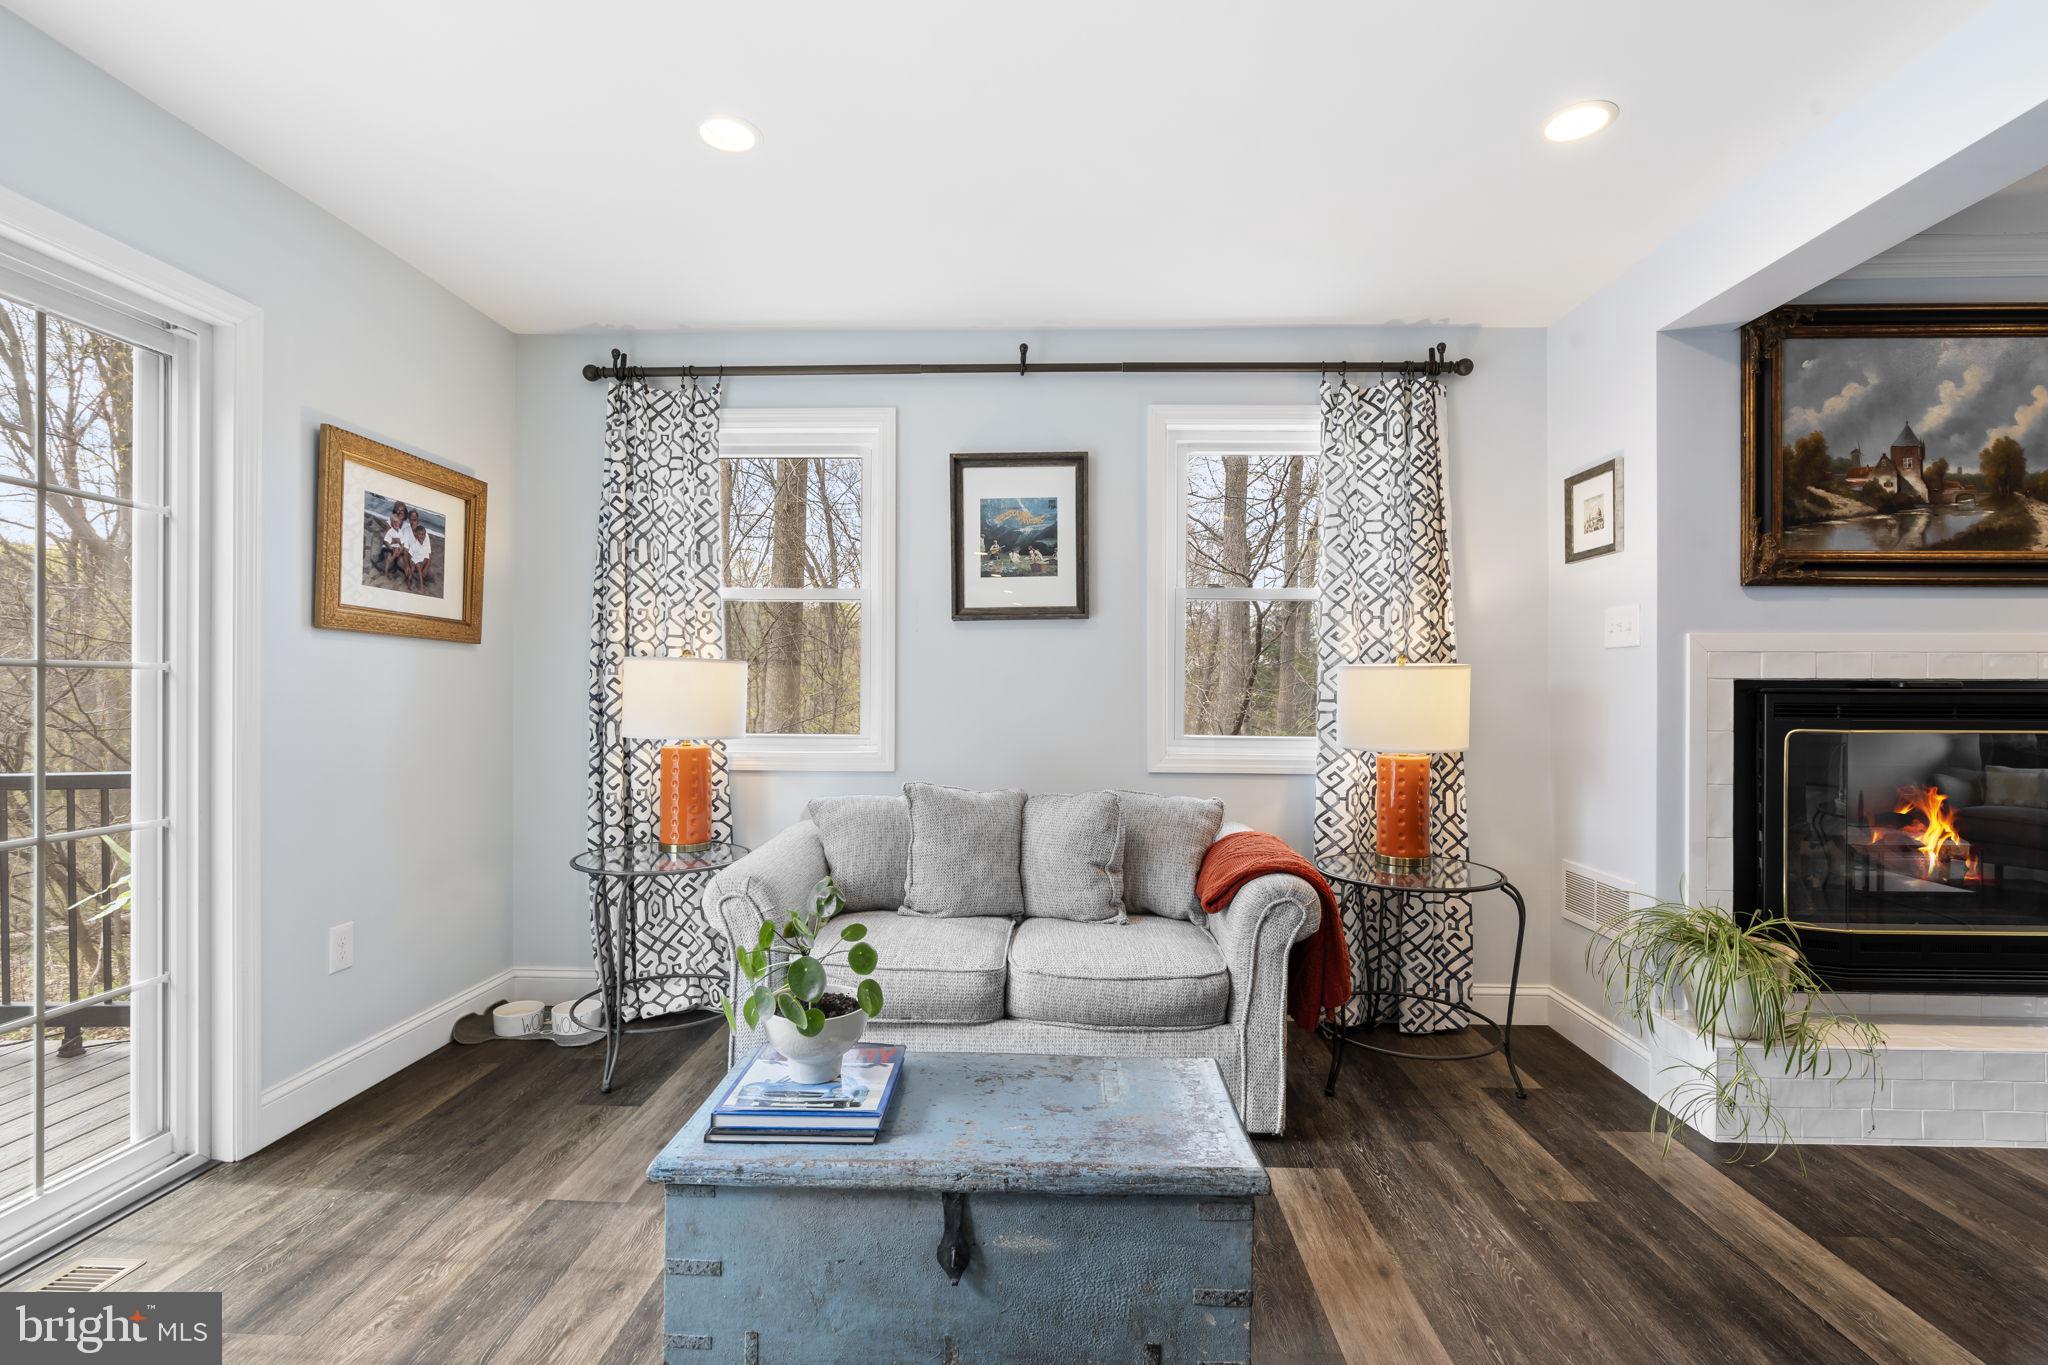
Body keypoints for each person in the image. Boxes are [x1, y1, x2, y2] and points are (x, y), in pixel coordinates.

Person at [374, 500, 410, 577]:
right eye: (398, 510)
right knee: (389, 558)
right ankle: (388, 570)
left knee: (404, 563)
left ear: (405, 512)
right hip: (389, 549)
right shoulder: (390, 522)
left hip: (400, 550)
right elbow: (387, 541)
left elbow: (404, 544)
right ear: (395, 511)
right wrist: (394, 545)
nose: (400, 512)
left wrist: (400, 550)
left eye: (402, 510)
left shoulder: (407, 526)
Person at [404, 508, 431, 591]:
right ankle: (416, 584)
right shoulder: (408, 533)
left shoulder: (424, 534)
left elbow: (428, 553)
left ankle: (419, 579)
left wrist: (426, 566)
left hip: (422, 559)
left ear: (418, 519)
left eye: (415, 519)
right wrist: (408, 564)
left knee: (429, 574)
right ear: (409, 520)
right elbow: (408, 552)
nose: (413, 521)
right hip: (415, 559)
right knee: (413, 569)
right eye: (411, 519)